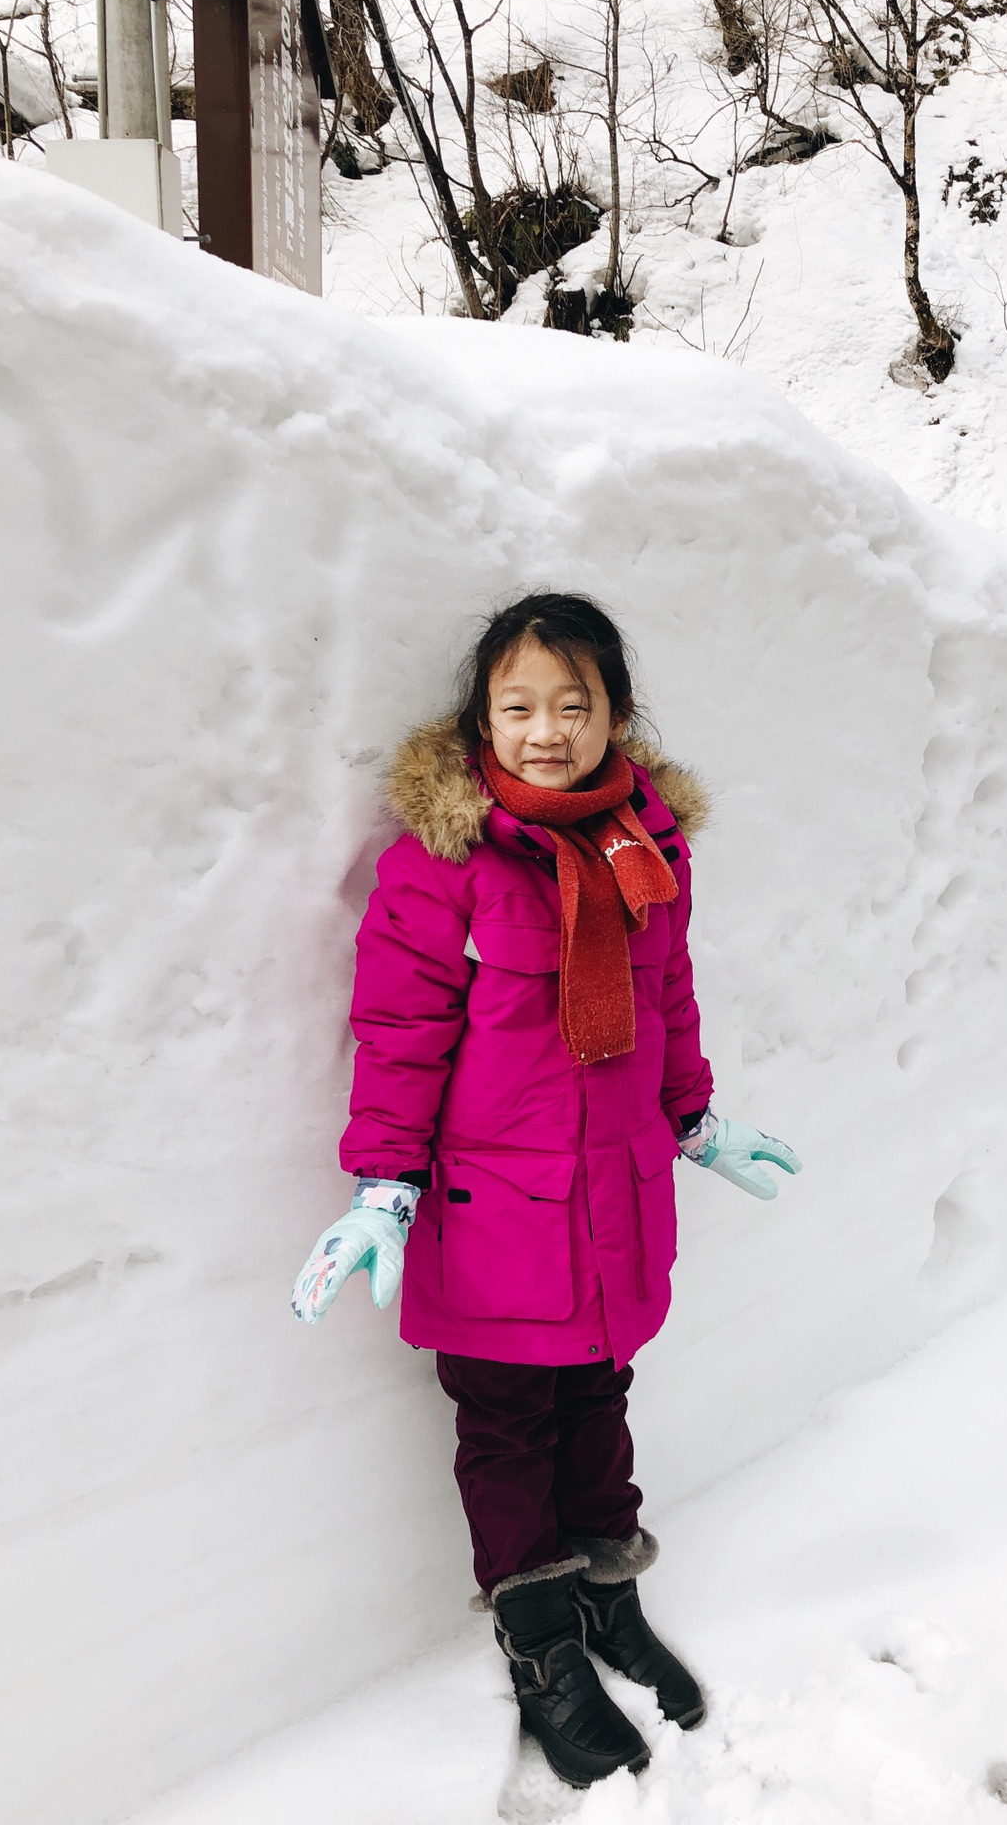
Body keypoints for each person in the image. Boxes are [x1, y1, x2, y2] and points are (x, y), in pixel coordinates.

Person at [290, 592, 800, 1789]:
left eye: (575, 704)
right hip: (495, 1214)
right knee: (509, 1428)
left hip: (615, 1198)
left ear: (616, 713)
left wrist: (695, 1117)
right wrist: (383, 1186)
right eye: (518, 705)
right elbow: (402, 1031)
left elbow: (667, 999)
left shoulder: (647, 845)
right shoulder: (446, 862)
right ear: (482, 716)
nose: (546, 730)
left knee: (601, 1398)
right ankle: (541, 1644)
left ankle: (609, 1598)